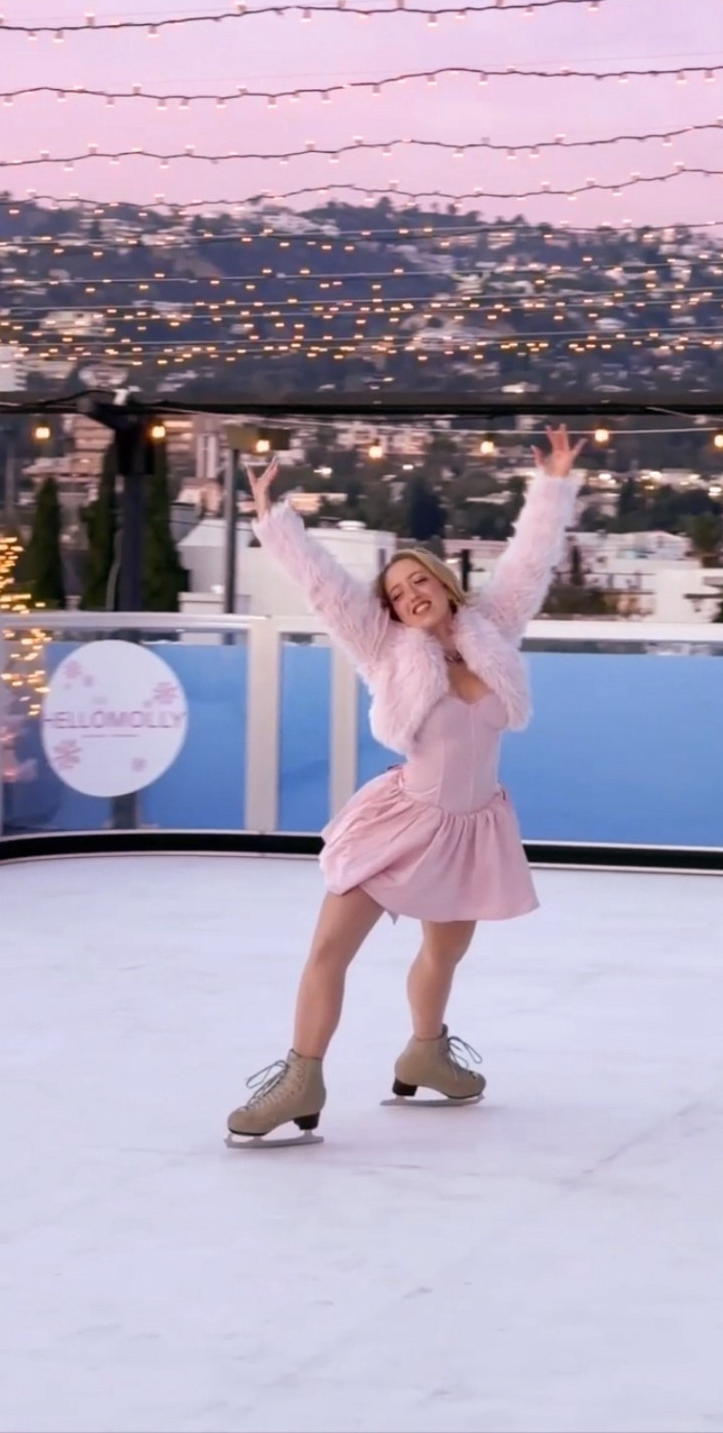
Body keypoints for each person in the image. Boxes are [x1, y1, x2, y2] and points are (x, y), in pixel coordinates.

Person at [225, 424, 585, 1143]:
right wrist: (273, 519)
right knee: (329, 951)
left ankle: (426, 1053)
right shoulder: (386, 650)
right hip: (399, 823)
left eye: (421, 579)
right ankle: (302, 1077)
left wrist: (553, 485)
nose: (412, 593)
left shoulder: (494, 630)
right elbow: (325, 590)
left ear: (445, 586)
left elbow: (530, 560)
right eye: (397, 591)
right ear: (389, 610)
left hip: (472, 827)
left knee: (444, 954)